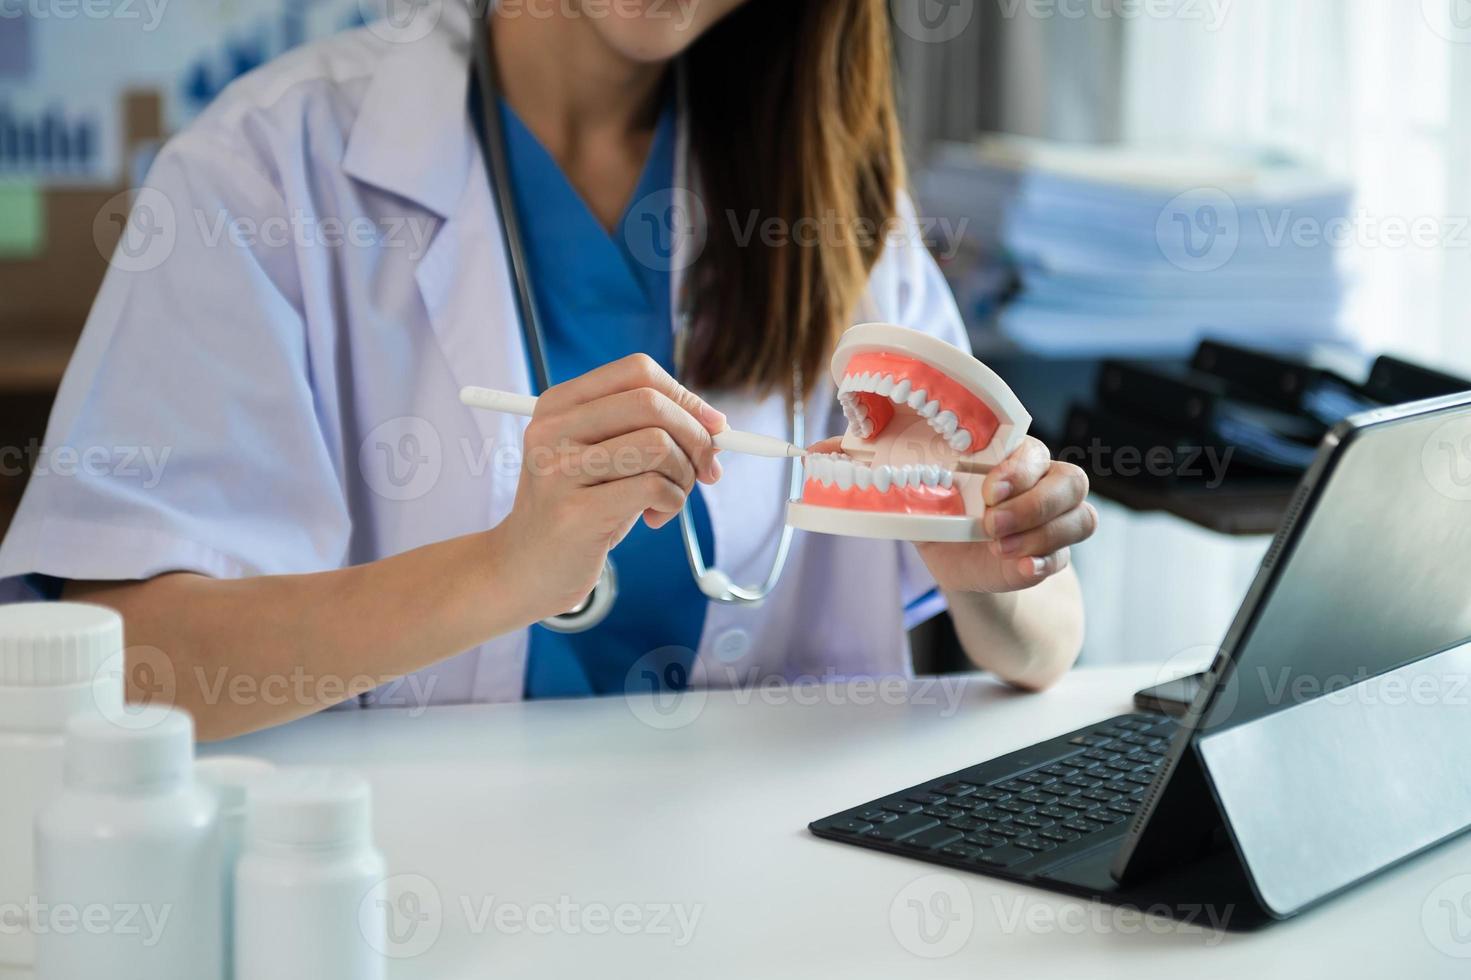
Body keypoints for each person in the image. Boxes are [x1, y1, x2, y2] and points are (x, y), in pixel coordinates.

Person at [0, 0, 1096, 739]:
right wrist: (502, 571)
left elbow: (1042, 643)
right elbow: (130, 663)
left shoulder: (820, 168)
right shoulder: (266, 167)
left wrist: (986, 571)